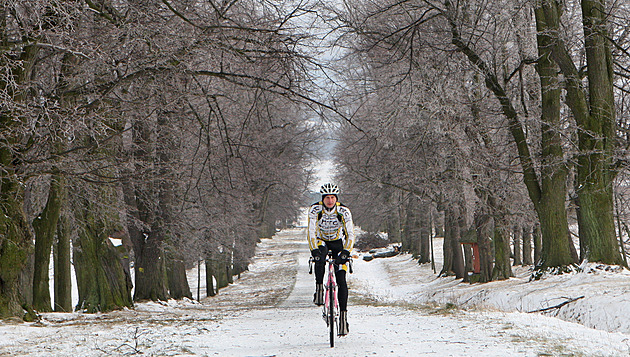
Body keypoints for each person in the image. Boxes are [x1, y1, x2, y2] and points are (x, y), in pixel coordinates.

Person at [307, 183, 355, 336]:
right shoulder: (315, 210)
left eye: (332, 197)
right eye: (327, 197)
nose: (330, 200)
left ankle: (343, 317)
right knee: (319, 259)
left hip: (337, 243)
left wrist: (346, 252)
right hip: (321, 241)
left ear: (336, 198)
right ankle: (320, 288)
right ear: (322, 199)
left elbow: (350, 234)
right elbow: (311, 231)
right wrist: (314, 250)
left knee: (341, 280)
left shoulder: (344, 211)